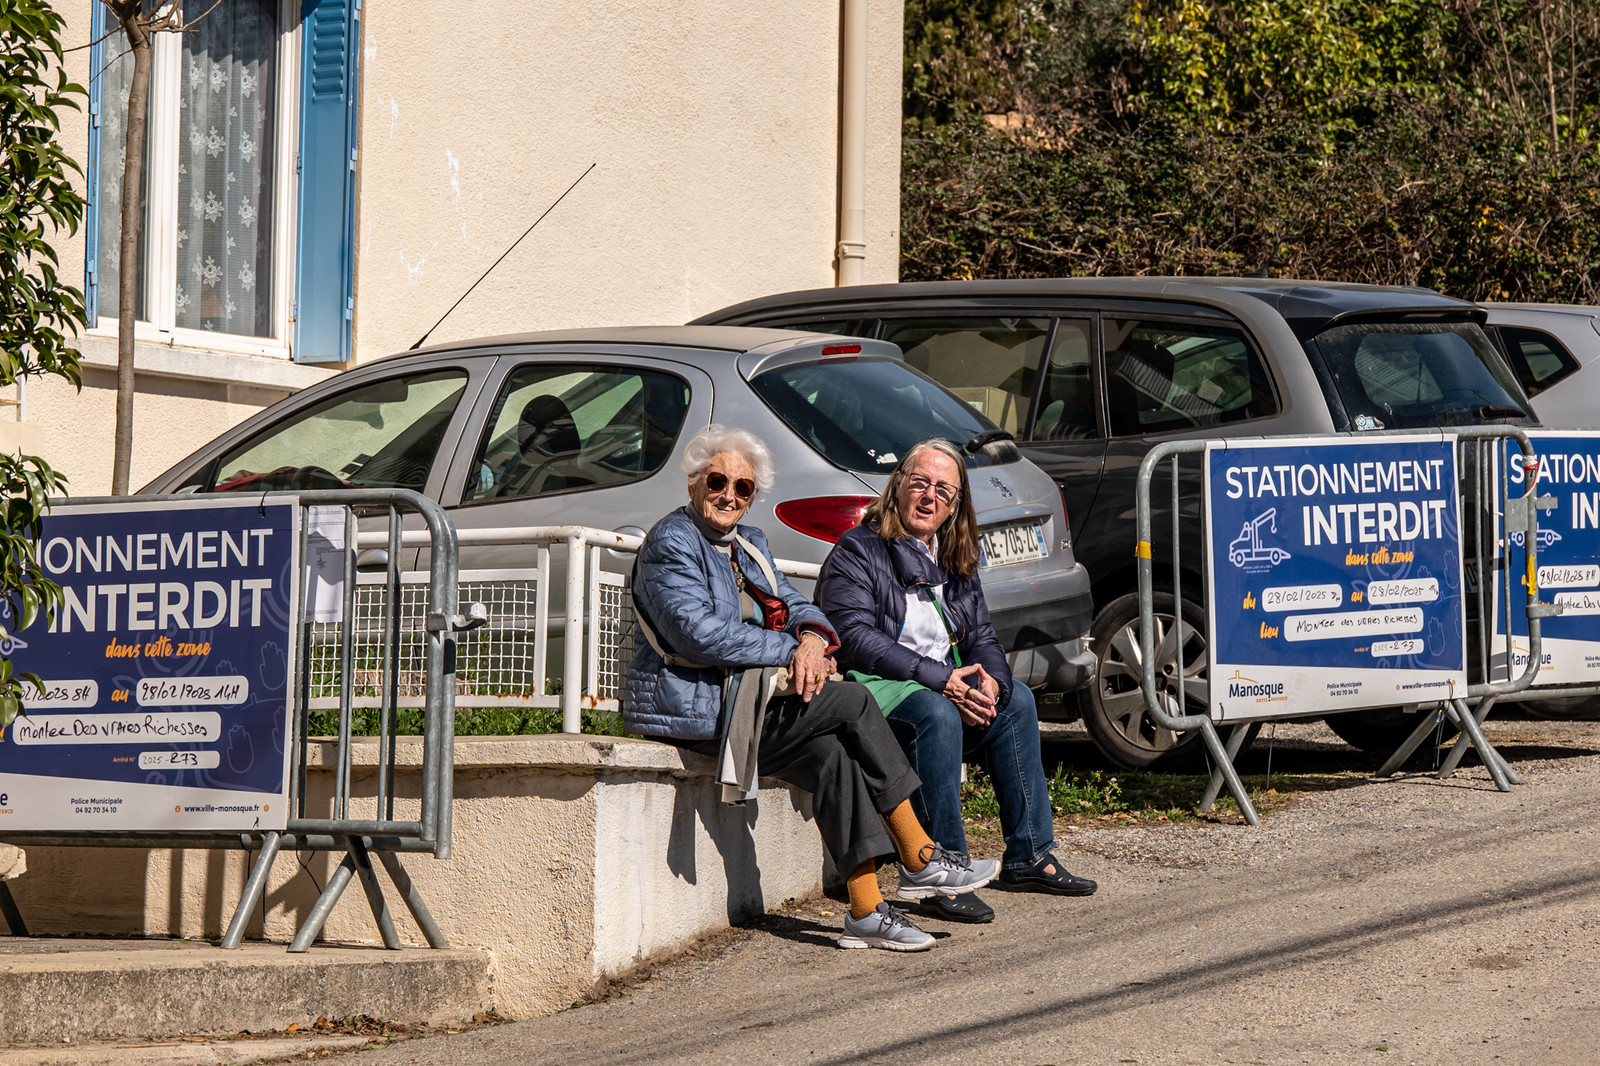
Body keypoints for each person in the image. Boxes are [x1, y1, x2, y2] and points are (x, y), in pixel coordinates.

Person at [623, 424, 998, 951]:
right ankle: (918, 855)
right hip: (696, 709)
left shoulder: (748, 543)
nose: (729, 495)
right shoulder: (673, 542)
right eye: (717, 482)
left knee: (832, 755)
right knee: (853, 700)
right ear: (693, 483)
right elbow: (699, 632)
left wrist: (815, 640)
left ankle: (866, 911)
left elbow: (798, 606)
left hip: (749, 701)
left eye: (743, 488)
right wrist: (791, 650)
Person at [816, 437, 1098, 924]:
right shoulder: (858, 549)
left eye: (943, 491)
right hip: (877, 689)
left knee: (1019, 703)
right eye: (920, 483)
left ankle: (1029, 855)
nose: (929, 497)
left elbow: (983, 634)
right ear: (898, 485)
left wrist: (991, 683)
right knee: (936, 714)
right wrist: (942, 680)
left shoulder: (952, 553)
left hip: (939, 684)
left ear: (955, 506)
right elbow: (854, 638)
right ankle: (942, 870)